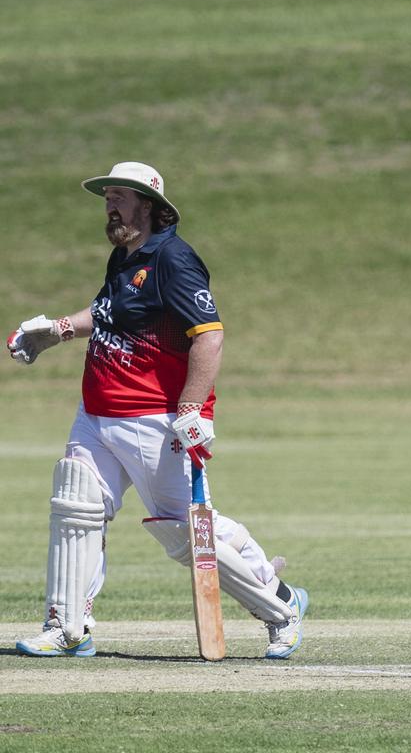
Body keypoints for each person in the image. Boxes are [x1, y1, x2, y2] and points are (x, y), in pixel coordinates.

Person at [7, 162, 308, 659]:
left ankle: (281, 605)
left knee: (184, 531)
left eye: (120, 196)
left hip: (154, 416)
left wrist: (193, 408)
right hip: (97, 411)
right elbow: (106, 313)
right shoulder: (123, 256)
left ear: (148, 205)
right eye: (107, 196)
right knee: (76, 506)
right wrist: (57, 329)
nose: (110, 204)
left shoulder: (174, 259)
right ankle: (68, 628)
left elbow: (209, 335)